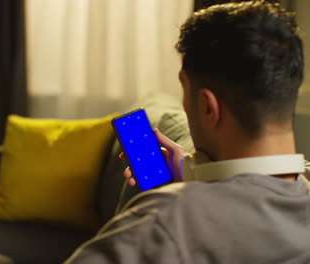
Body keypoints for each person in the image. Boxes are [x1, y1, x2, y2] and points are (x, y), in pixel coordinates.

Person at [65, 1, 310, 263]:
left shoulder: (167, 220)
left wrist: (181, 196)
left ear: (208, 107)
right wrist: (194, 178)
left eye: (183, 87)